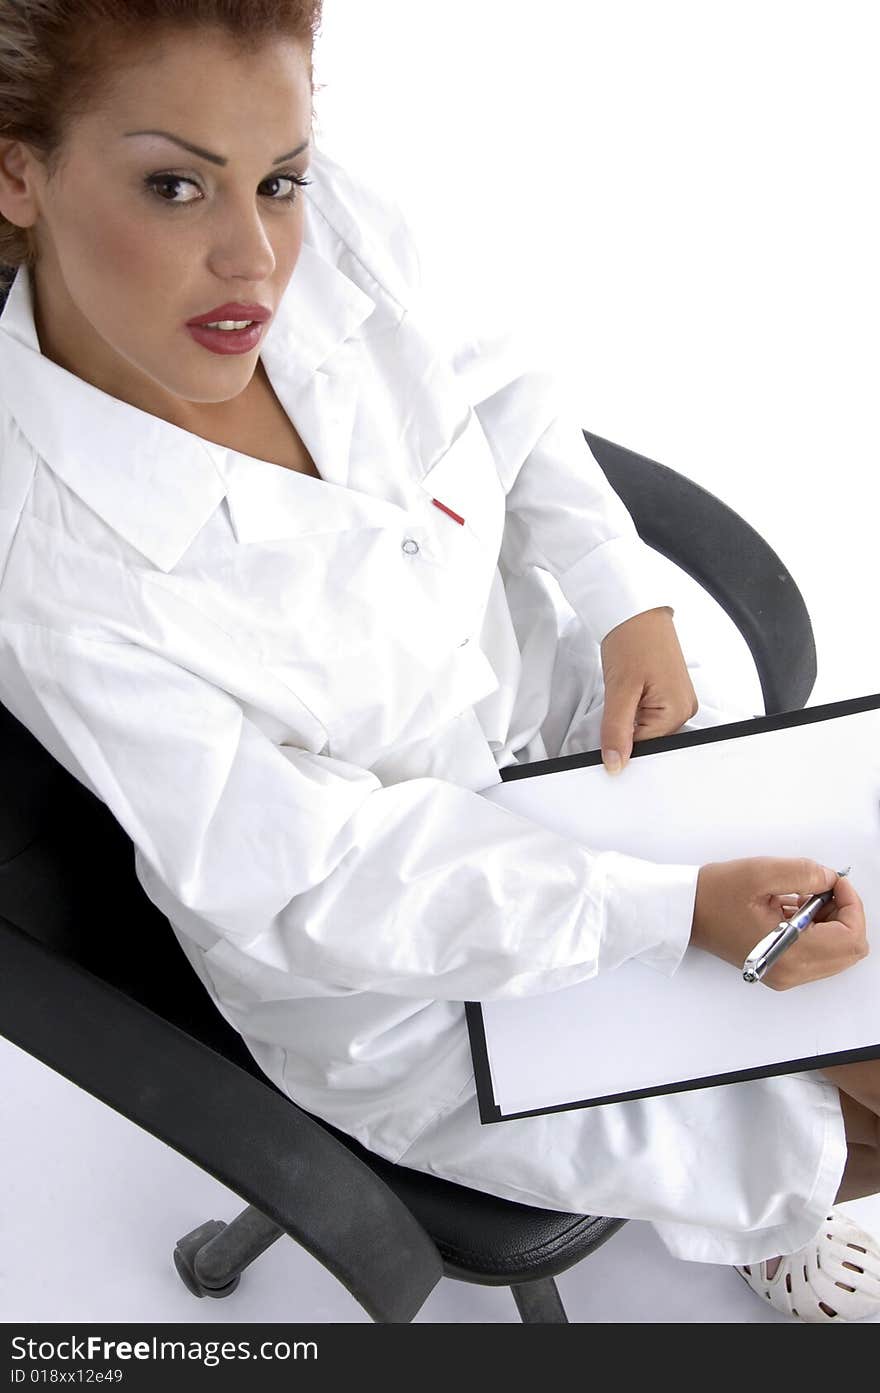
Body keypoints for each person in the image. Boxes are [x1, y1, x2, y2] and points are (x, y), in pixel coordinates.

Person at [0, 0, 877, 1323]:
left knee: (853, 994)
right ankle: (790, 1204)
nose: (254, 257)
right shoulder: (47, 573)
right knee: (833, 1112)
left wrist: (616, 590)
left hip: (560, 735)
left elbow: (497, 386)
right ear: (19, 169)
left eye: (278, 176)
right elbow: (323, 882)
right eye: (174, 184)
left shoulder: (322, 226)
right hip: (399, 972)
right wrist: (664, 911)